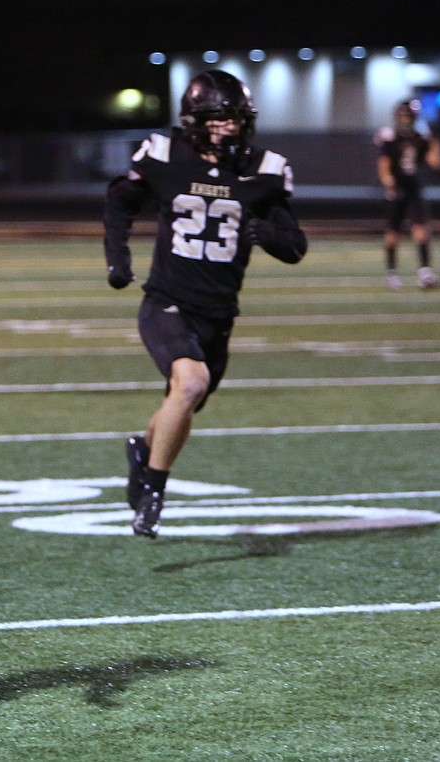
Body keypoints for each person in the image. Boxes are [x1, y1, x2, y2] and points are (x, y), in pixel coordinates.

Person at [102, 69, 308, 539]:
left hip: (219, 315)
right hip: (166, 301)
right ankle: (153, 491)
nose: (229, 128)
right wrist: (119, 259)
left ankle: (142, 448)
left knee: (185, 400)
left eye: (235, 118)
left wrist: (267, 234)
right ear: (195, 121)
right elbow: (119, 202)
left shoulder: (265, 169)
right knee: (190, 384)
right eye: (218, 119)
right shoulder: (164, 154)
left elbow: (294, 246)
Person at [374, 99, 440, 290]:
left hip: (414, 188)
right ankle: (391, 273)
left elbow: (434, 163)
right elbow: (384, 165)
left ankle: (425, 273)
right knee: (392, 232)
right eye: (403, 115)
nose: (405, 119)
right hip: (396, 189)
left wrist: (435, 142)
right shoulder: (390, 137)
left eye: (409, 116)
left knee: (421, 230)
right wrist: (389, 183)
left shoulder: (421, 137)